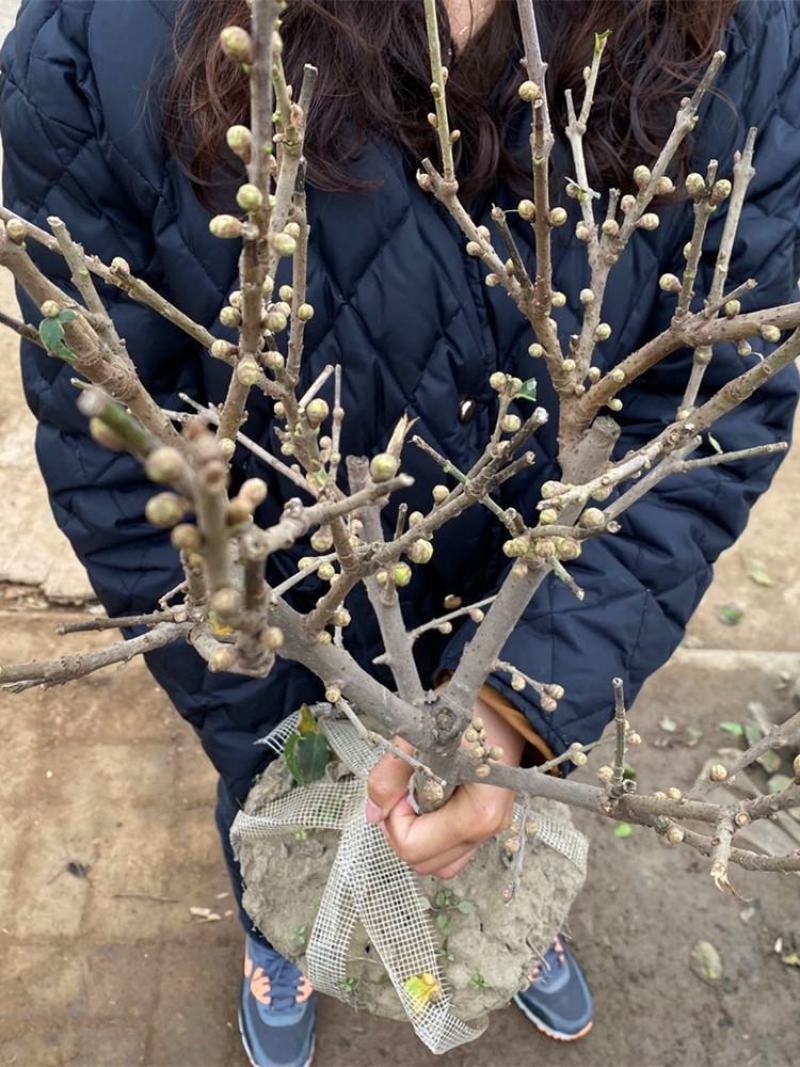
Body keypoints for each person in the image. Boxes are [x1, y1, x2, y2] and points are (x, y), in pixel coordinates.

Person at [2, 1, 799, 1064]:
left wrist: (523, 705)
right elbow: (111, 443)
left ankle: (503, 897)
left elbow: (722, 404)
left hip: (533, 590)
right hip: (283, 631)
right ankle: (279, 923)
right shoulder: (101, 37)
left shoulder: (735, 29)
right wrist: (283, 750)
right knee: (286, 834)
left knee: (488, 822)